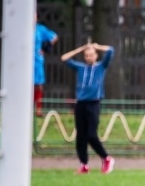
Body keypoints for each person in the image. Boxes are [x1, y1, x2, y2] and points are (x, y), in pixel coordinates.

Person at [61, 42, 116, 175]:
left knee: (91, 134)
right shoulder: (80, 68)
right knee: (81, 136)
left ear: (96, 56)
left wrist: (97, 46)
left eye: (91, 55)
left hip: (93, 104)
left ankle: (106, 158)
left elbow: (110, 50)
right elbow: (64, 58)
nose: (89, 57)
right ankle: (84, 164)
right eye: (86, 55)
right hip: (80, 104)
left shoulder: (101, 67)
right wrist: (80, 49)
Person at [34, 14, 58, 117]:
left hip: (37, 60)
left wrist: (45, 49)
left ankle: (38, 109)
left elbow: (54, 37)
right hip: (24, 62)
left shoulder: (40, 29)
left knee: (38, 84)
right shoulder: (22, 29)